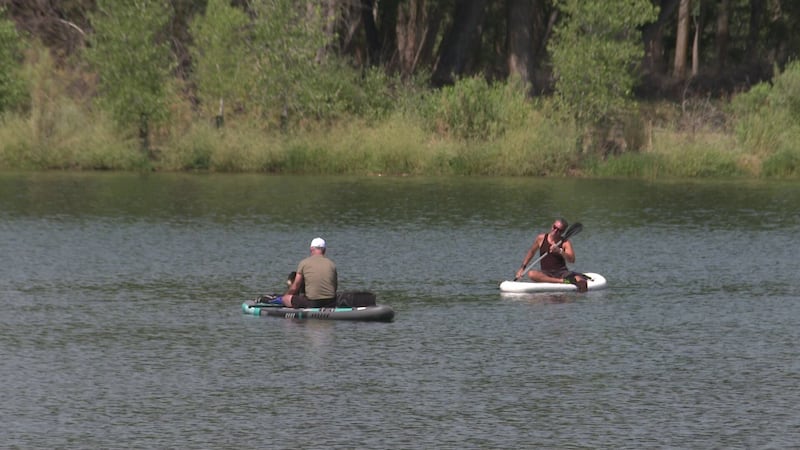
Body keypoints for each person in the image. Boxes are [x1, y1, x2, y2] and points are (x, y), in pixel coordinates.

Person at [514, 218, 589, 292]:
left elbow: (572, 260)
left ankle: (565, 282)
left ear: (563, 232)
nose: (555, 231)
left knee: (581, 282)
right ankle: (563, 281)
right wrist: (522, 268)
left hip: (561, 272)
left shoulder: (565, 243)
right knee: (531, 274)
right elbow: (531, 252)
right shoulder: (541, 238)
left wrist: (560, 251)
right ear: (552, 226)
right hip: (546, 273)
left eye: (559, 230)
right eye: (554, 227)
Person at [281, 237, 338, 308]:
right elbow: (334, 287)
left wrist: (287, 295)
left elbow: (295, 287)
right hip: (331, 303)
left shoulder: (304, 263)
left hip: (313, 303)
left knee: (285, 299)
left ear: (311, 249)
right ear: (324, 250)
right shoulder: (332, 264)